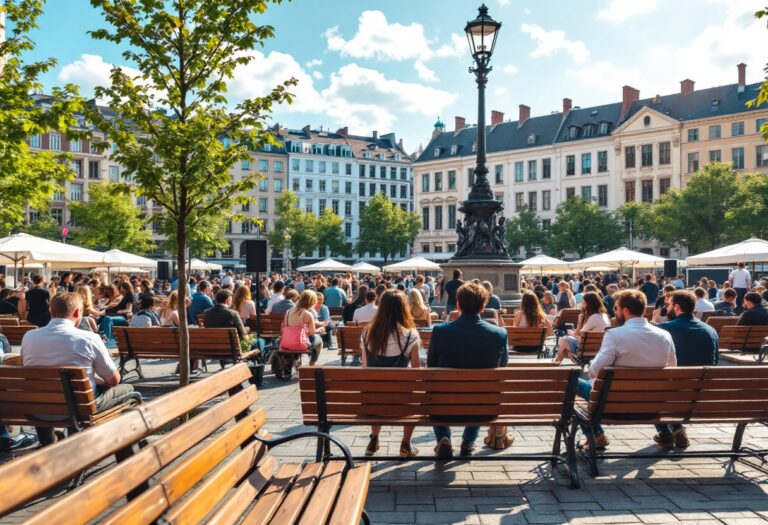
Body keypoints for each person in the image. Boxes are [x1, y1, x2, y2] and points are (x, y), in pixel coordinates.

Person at [21, 293, 142, 445]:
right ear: (78, 312)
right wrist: (95, 380)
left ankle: (47, 443)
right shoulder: (89, 338)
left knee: (48, 392)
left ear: (51, 312)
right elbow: (114, 380)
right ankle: (79, 445)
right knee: (129, 390)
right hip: (79, 407)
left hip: (38, 408)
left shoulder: (29, 337)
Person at [579, 290, 676, 450]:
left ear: (625, 311)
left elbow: (596, 370)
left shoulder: (615, 335)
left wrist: (591, 365)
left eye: (616, 308)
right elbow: (672, 368)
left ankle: (596, 434)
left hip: (614, 405)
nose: (614, 312)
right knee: (651, 387)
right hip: (653, 405)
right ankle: (665, 433)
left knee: (572, 381)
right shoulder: (665, 335)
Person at [428, 282, 508, 458]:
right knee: (482, 390)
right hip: (482, 409)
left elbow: (431, 368)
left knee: (435, 389)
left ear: (458, 305)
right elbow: (503, 367)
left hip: (443, 408)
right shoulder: (499, 334)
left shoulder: (440, 331)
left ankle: (443, 437)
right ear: (483, 306)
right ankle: (468, 441)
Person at [361, 290, 421, 458]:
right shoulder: (410, 335)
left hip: (374, 398)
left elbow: (365, 367)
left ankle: (374, 438)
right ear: (404, 308)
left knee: (374, 391)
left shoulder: (367, 333)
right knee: (414, 399)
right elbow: (416, 370)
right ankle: (406, 443)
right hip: (401, 397)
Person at [654, 290, 718, 448]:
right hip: (702, 392)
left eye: (668, 305)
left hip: (674, 390)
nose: (667, 308)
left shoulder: (665, 328)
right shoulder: (711, 330)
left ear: (676, 307)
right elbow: (715, 361)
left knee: (651, 388)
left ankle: (666, 433)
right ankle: (676, 428)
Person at [553, 292, 610, 364]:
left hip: (589, 349)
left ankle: (555, 365)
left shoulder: (593, 318)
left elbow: (580, 334)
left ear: (588, 304)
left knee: (565, 340)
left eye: (583, 303)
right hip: (600, 348)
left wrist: (573, 332)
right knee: (565, 350)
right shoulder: (604, 316)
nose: (582, 305)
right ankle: (565, 359)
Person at [282, 290, 322, 365]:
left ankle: (295, 361)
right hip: (300, 343)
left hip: (287, 342)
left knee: (297, 339)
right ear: (312, 301)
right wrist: (319, 330)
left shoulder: (288, 311)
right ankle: (312, 363)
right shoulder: (308, 314)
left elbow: (285, 326)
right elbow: (312, 332)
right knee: (319, 341)